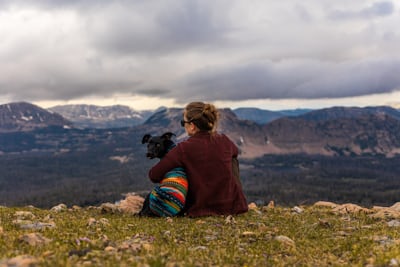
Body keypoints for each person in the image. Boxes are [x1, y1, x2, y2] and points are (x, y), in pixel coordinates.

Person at [148, 101, 248, 217]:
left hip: (200, 210)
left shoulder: (184, 149)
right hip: (233, 208)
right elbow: (235, 152)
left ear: (192, 126)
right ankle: (234, 200)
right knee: (232, 159)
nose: (183, 125)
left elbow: (154, 174)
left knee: (179, 166)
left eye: (183, 122)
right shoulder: (224, 140)